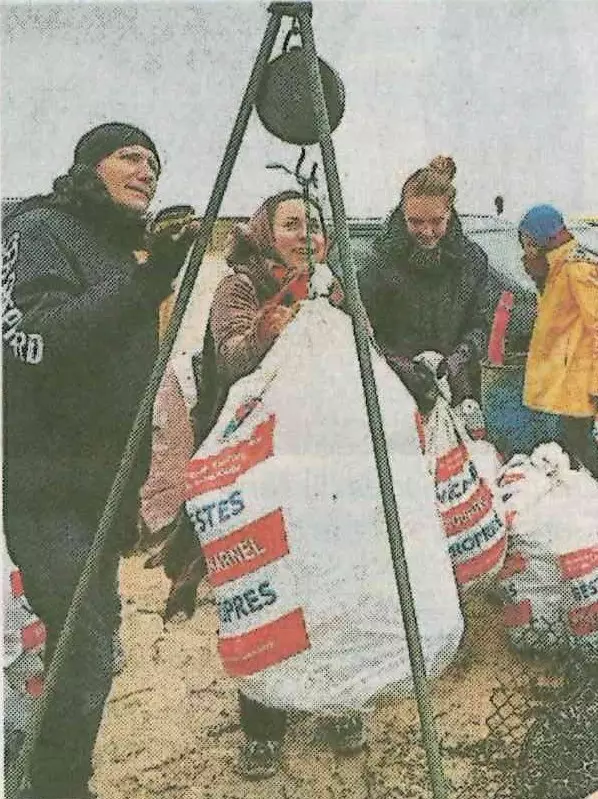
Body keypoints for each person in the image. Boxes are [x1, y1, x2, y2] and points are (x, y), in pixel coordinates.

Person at [2, 121, 196, 799]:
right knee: (82, 649)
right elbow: (39, 337)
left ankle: (45, 776)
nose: (147, 171)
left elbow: (129, 382)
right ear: (89, 167)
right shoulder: (37, 231)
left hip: (102, 488)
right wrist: (148, 279)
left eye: (155, 163)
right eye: (130, 156)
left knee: (89, 650)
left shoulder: (121, 247)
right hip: (43, 482)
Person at [158, 190, 357, 781]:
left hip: (318, 457)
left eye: (312, 224)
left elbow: (359, 352)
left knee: (327, 577)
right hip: (255, 462)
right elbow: (230, 360)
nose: (304, 234)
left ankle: (335, 700)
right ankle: (263, 723)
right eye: (291, 224)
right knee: (263, 585)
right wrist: (269, 329)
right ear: (266, 232)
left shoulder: (332, 286)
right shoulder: (240, 287)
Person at [357, 155, 489, 413]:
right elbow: (363, 328)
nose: (427, 232)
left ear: (449, 214)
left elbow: (480, 324)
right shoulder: (381, 262)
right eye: (416, 222)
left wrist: (457, 359)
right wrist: (399, 365)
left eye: (437, 221)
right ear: (403, 214)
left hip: (458, 389)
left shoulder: (472, 260)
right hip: (395, 392)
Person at [518, 204, 598, 477]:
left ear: (544, 238)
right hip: (568, 379)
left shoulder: (577, 269)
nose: (525, 250)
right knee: (573, 445)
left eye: (529, 242)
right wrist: (540, 278)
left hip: (580, 379)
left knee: (580, 444)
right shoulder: (557, 267)